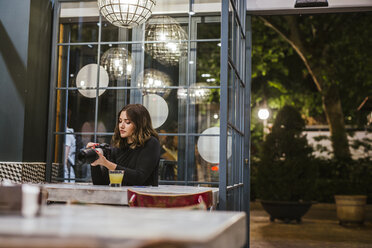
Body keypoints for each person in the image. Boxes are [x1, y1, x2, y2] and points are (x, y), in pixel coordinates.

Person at [87, 104, 160, 186]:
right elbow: (101, 183)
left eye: (128, 122)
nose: (121, 126)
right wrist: (94, 161)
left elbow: (139, 178)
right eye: (120, 121)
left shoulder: (151, 143)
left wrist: (107, 164)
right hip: (121, 196)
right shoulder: (119, 145)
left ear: (139, 124)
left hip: (143, 197)